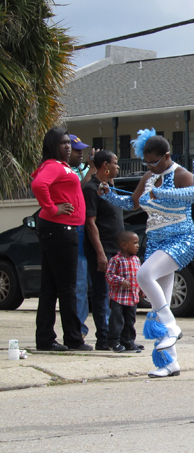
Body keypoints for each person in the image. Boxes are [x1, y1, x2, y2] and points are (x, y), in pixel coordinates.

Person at [100, 129, 194, 376]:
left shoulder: (182, 175)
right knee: (158, 303)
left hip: (180, 240)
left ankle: (172, 327)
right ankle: (169, 362)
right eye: (147, 162)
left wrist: (163, 193)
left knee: (143, 275)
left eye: (154, 161)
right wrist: (108, 194)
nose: (150, 166)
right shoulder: (148, 177)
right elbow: (131, 203)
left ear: (167, 155)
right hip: (155, 242)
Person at [30, 127, 92, 352]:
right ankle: (74, 338)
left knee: (50, 287)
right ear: (52, 146)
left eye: (69, 143)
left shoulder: (62, 167)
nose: (68, 147)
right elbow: (38, 185)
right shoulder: (54, 166)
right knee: (67, 287)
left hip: (58, 229)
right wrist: (52, 208)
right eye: (63, 143)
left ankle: (45, 339)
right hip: (59, 229)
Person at [82, 149, 123, 350]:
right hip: (103, 249)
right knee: (102, 294)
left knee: (119, 296)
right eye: (115, 163)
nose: (118, 167)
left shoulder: (110, 187)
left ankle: (120, 337)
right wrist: (100, 253)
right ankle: (104, 338)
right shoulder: (91, 189)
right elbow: (90, 223)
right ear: (105, 165)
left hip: (117, 250)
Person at [68, 134, 92, 338]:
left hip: (89, 230)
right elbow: (78, 190)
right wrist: (92, 170)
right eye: (76, 150)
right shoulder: (65, 172)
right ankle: (79, 330)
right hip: (75, 231)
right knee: (79, 284)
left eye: (81, 149)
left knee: (88, 285)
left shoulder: (81, 169)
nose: (80, 153)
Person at [105, 230, 143, 353]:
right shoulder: (116, 260)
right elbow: (109, 275)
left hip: (132, 298)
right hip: (119, 298)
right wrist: (120, 281)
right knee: (117, 321)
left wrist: (142, 289)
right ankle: (114, 342)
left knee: (130, 321)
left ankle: (128, 342)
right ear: (124, 245)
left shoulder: (136, 260)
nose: (138, 245)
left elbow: (140, 276)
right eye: (135, 243)